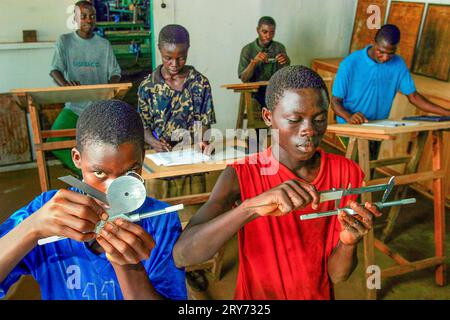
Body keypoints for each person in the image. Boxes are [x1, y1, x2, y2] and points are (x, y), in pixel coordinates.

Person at [173, 66, 382, 300]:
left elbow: (336, 276)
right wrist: (250, 208)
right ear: (268, 117)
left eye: (320, 119)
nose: (309, 131)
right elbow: (183, 255)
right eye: (294, 120)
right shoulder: (241, 175)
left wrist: (348, 243)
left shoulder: (346, 173)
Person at [0, 100, 186, 300]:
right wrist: (33, 228)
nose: (113, 192)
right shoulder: (47, 211)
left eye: (131, 171)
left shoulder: (161, 221)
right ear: (77, 158)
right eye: (99, 173)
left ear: (142, 158)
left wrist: (129, 268)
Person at [48, 0, 121, 175]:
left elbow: (115, 72)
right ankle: (87, 174)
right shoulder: (64, 41)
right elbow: (54, 70)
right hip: (75, 105)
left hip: (99, 107)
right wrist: (66, 86)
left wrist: (110, 86)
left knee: (106, 145)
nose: (88, 20)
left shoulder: (104, 45)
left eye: (92, 16)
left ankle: (106, 176)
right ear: (75, 18)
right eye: (84, 16)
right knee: (54, 140)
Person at [332, 24, 450, 126]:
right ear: (373, 42)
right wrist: (349, 117)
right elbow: (335, 101)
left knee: (371, 153)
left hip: (378, 126)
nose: (385, 58)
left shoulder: (398, 64)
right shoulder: (350, 64)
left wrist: (447, 113)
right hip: (350, 125)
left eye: (391, 53)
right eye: (381, 52)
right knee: (356, 153)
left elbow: (414, 97)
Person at [238, 16, 290, 109]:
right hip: (254, 92)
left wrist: (286, 60)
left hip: (275, 91)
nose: (268, 36)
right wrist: (254, 62)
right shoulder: (248, 50)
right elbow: (244, 78)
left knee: (290, 101)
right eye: (264, 32)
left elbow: (285, 74)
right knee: (257, 105)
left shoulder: (279, 47)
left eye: (272, 32)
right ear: (258, 30)